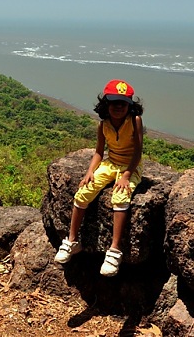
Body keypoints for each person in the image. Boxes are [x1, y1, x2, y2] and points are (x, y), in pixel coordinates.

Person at [54, 79, 145, 276]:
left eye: (123, 103)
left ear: (130, 105)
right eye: (113, 103)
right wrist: (89, 172)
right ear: (106, 104)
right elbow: (98, 152)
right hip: (110, 163)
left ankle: (114, 250)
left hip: (130, 165)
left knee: (120, 196)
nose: (118, 107)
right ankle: (71, 240)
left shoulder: (135, 121)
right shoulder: (103, 124)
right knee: (82, 193)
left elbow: (138, 152)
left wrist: (126, 175)